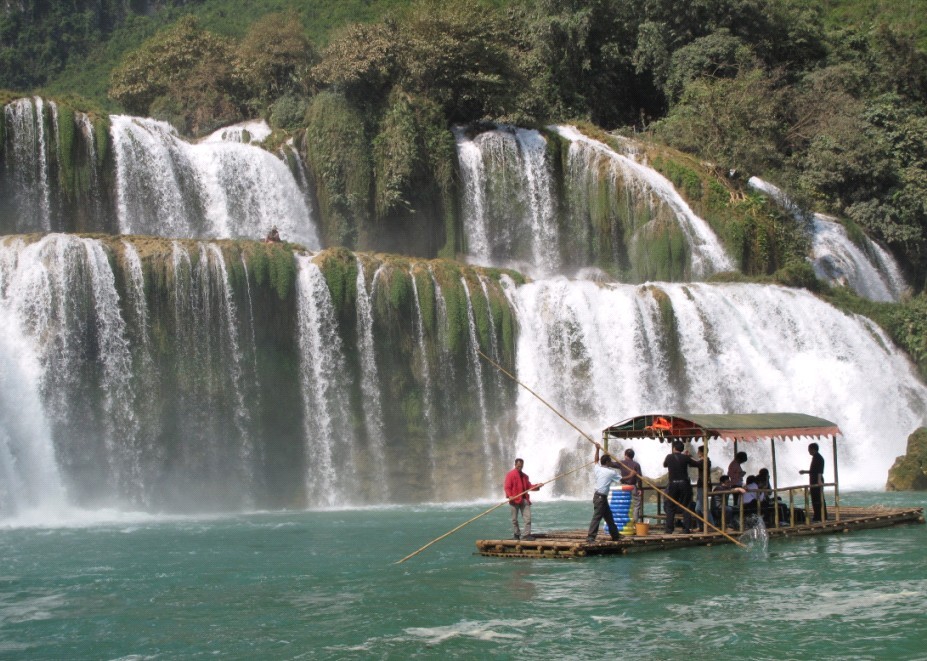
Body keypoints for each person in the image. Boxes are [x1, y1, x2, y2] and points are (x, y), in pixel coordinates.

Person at [663, 439, 699, 534]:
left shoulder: (669, 457)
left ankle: (669, 529)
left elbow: (664, 465)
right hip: (684, 484)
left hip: (673, 484)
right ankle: (686, 529)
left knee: (670, 506)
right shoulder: (685, 457)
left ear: (674, 448)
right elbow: (697, 464)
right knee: (686, 506)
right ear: (682, 449)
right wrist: (689, 456)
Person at [586, 452, 623, 543]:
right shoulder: (611, 472)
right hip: (600, 498)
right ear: (607, 462)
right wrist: (632, 474)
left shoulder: (598, 468)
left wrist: (597, 449)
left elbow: (595, 460)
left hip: (599, 496)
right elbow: (623, 480)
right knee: (597, 517)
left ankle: (615, 535)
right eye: (610, 461)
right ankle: (591, 537)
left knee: (609, 517)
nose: (611, 463)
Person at [504, 458, 543, 540]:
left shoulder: (525, 476)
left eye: (521, 466)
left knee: (528, 518)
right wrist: (510, 495)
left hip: (524, 499)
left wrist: (537, 486)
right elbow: (507, 487)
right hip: (514, 499)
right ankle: (516, 534)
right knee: (514, 519)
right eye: (518, 466)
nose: (520, 468)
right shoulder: (510, 475)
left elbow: (529, 487)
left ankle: (526, 535)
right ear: (515, 465)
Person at [800, 442, 826, 522]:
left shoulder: (819, 458)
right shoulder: (815, 457)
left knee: (818, 499)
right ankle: (818, 516)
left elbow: (819, 471)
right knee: (815, 499)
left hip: (817, 480)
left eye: (809, 450)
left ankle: (820, 516)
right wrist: (805, 472)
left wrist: (819, 481)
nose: (808, 451)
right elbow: (813, 471)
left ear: (813, 449)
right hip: (814, 480)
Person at [618, 448, 643, 522]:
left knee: (622, 504)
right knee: (636, 504)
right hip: (632, 486)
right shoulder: (636, 464)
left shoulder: (621, 463)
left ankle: (621, 521)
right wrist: (640, 488)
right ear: (633, 456)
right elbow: (639, 478)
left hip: (623, 486)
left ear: (625, 455)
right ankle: (635, 522)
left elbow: (610, 464)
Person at [693, 445, 712, 528]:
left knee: (704, 509)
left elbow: (694, 463)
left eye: (698, 451)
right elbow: (696, 463)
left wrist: (687, 457)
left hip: (703, 486)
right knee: (697, 509)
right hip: (700, 485)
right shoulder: (703, 461)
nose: (697, 453)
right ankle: (700, 526)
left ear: (701, 452)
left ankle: (711, 525)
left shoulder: (705, 461)